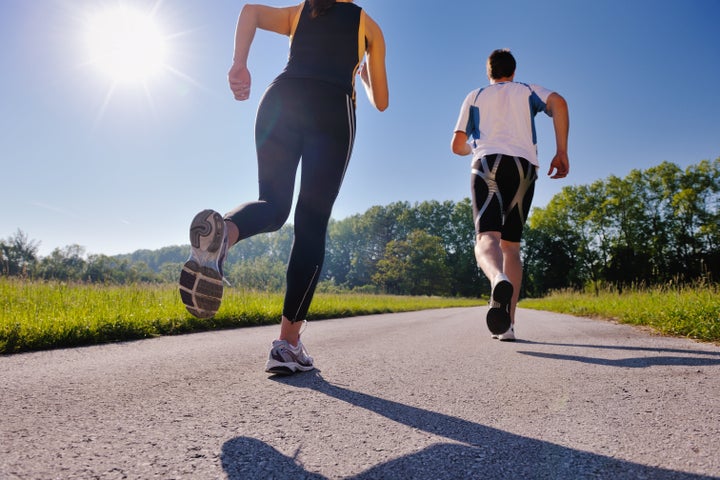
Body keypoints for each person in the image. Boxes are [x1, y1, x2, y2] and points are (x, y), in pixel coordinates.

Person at [178, 0, 389, 374]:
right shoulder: (369, 26)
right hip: (332, 108)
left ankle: (224, 232)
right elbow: (382, 102)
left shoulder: (301, 11)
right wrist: (366, 63)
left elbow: (251, 12)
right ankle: (287, 345)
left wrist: (239, 63)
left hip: (280, 98)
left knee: (273, 205)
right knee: (310, 223)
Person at [450, 49, 569, 341]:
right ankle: (508, 325)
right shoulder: (528, 90)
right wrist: (562, 151)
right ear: (513, 72)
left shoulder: (475, 95)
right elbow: (559, 103)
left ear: (489, 73)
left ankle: (496, 278)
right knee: (511, 247)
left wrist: (472, 148)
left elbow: (457, 144)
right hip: (524, 166)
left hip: (487, 164)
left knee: (486, 238)